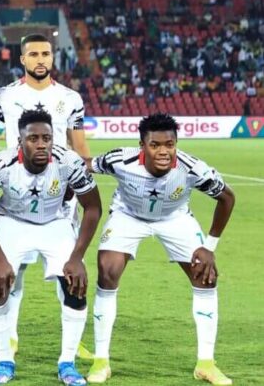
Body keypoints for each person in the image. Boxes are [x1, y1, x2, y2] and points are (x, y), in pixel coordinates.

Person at [85, 113, 235, 386]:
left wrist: (208, 246)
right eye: (155, 145)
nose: (164, 151)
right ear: (142, 145)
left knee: (206, 277)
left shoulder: (192, 168)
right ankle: (101, 361)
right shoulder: (120, 160)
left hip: (174, 218)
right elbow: (85, 166)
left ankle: (206, 364)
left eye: (170, 144)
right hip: (128, 216)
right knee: (107, 271)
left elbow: (227, 197)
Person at [0, 33, 92, 358]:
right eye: (34, 54)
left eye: (46, 54)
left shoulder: (70, 98)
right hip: (17, 190)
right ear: (22, 59)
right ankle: (10, 337)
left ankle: (74, 339)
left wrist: (83, 175)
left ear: (52, 57)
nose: (41, 59)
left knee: (67, 269)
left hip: (61, 193)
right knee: (14, 269)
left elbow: (79, 143)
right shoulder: (5, 96)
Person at [0, 110, 102, 385]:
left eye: (47, 138)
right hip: (12, 221)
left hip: (55, 222)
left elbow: (93, 208)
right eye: (33, 139)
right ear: (20, 141)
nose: (41, 144)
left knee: (76, 284)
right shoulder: (1, 163)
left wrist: (77, 257)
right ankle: (5, 361)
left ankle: (67, 363)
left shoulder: (68, 161)